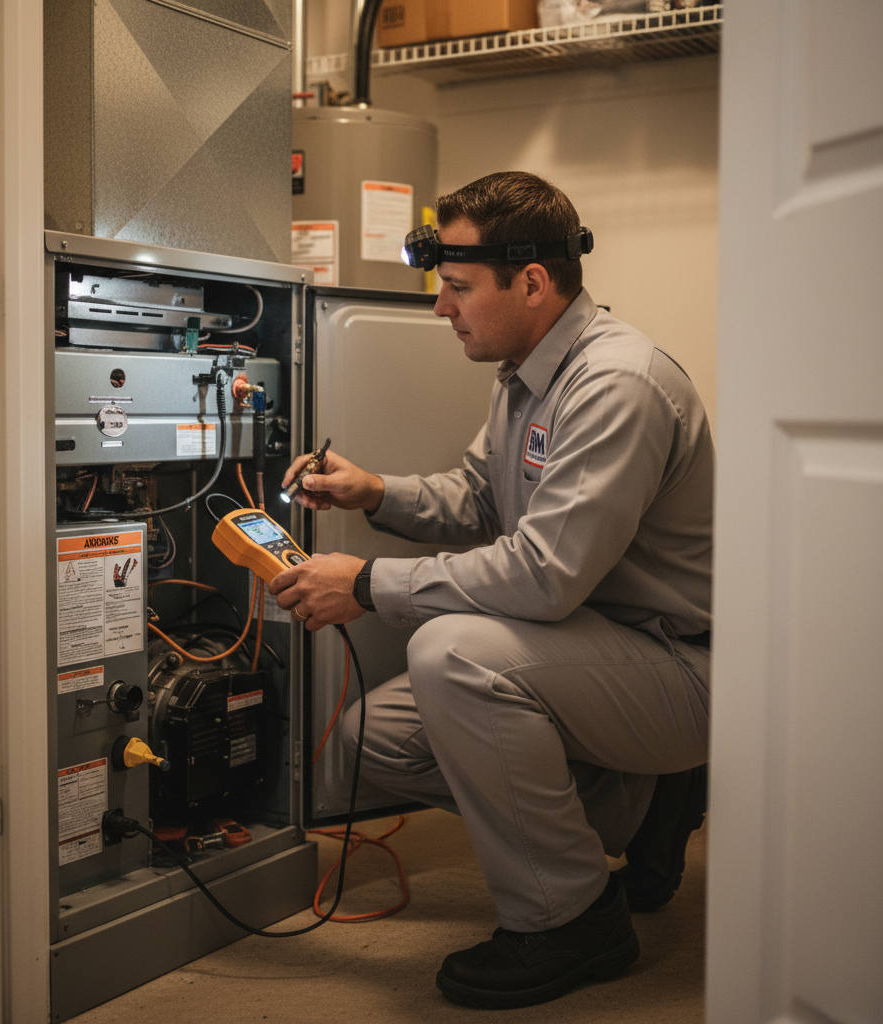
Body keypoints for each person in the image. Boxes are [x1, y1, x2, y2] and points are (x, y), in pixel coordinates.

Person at [267, 171, 712, 1010]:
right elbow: (479, 500)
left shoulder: (616, 383)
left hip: (676, 664)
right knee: (379, 740)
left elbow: (542, 577)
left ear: (533, 282)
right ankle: (645, 798)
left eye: (459, 288)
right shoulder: (524, 374)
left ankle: (572, 917)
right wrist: (373, 491)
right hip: (586, 654)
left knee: (452, 654)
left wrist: (366, 582)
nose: (442, 309)